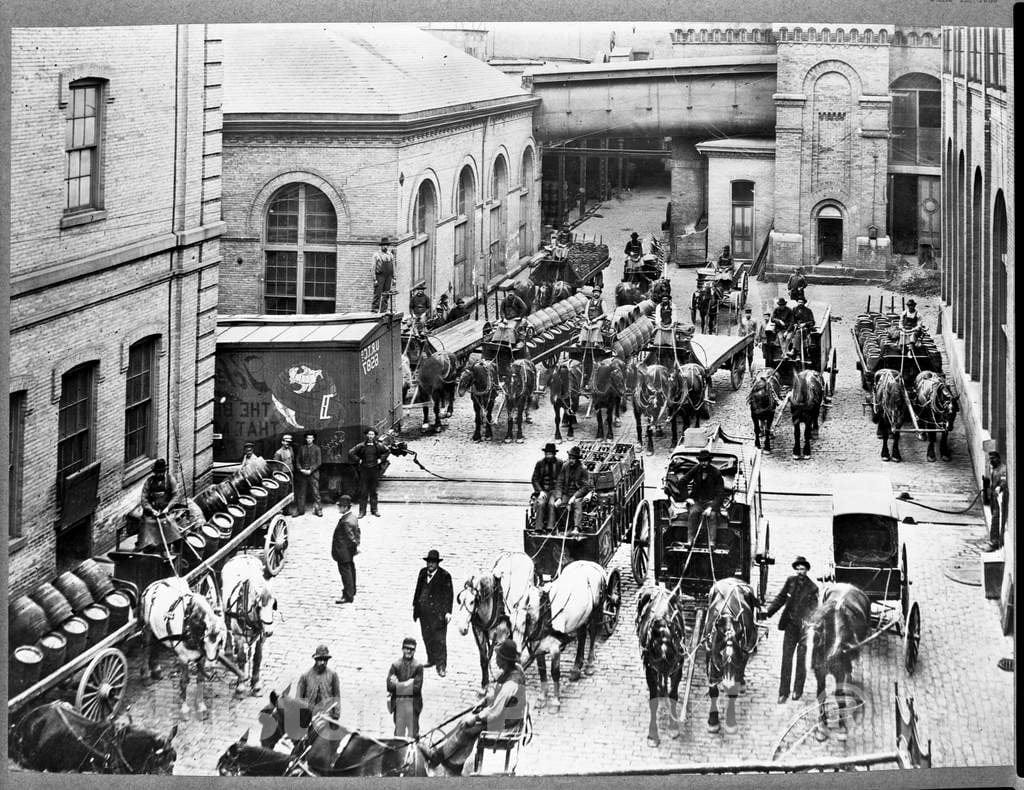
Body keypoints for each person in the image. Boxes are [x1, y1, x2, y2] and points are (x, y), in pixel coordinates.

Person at [421, 638, 527, 771]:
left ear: (504, 661)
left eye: (497, 657)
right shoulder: (515, 669)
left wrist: (475, 718)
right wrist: (485, 700)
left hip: (507, 722)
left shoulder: (511, 683)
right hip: (507, 715)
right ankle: (455, 761)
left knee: (466, 727)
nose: (495, 659)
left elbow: (494, 712)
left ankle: (437, 758)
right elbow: (498, 695)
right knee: (466, 723)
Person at [759, 556, 820, 703]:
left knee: (801, 660)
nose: (800, 572)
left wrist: (810, 625)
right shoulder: (790, 582)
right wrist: (768, 611)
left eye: (803, 569)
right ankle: (783, 692)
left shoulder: (813, 588)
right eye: (798, 569)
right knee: (786, 659)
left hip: (804, 629)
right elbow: (780, 598)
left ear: (807, 570)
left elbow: (814, 610)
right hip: (790, 626)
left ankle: (798, 690)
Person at [413, 549, 454, 677]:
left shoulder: (445, 576)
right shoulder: (422, 573)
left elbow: (449, 595)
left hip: (438, 615)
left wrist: (448, 612)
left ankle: (441, 665)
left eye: (433, 563)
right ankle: (431, 659)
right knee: (427, 637)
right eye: (429, 562)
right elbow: (418, 590)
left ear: (437, 564)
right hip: (424, 613)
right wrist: (415, 606)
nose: (430, 565)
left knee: (440, 640)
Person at [681, 449, 726, 549]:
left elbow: (720, 494)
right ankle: (690, 541)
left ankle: (712, 543)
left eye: (705, 461)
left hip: (711, 502)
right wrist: (687, 498)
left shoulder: (716, 473)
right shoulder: (696, 469)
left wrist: (711, 508)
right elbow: (682, 482)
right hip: (697, 501)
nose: (703, 463)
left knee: (712, 516)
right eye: (701, 461)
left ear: (709, 461)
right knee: (693, 513)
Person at [136, 458, 183, 551]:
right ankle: (147, 547)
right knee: (146, 524)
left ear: (164, 471)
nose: (159, 474)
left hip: (166, 512)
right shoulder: (149, 482)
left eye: (161, 472)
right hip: (152, 513)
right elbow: (144, 499)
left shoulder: (170, 480)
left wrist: (168, 507)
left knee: (168, 524)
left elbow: (175, 496)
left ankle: (170, 546)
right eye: (157, 472)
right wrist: (151, 510)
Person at [387, 637, 424, 738]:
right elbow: (389, 686)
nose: (409, 651)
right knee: (399, 736)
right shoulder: (395, 665)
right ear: (402, 649)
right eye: (406, 648)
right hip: (399, 706)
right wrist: (407, 684)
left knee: (413, 735)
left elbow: (416, 688)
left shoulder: (418, 667)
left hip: (413, 705)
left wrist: (398, 685)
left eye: (411, 649)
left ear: (414, 651)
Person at [348, 428, 390, 518]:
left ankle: (374, 510)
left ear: (374, 436)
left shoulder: (378, 445)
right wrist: (358, 460)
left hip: (374, 471)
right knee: (363, 491)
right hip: (364, 471)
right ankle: (362, 512)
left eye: (372, 434)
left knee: (373, 492)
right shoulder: (361, 446)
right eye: (369, 434)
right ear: (366, 435)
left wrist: (381, 460)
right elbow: (351, 452)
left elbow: (387, 451)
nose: (370, 436)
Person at [297, 645, 341, 717]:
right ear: (315, 660)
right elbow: (298, 699)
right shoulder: (305, 676)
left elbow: (336, 696)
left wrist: (336, 714)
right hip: (308, 716)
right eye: (320, 659)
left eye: (325, 660)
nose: (323, 662)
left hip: (326, 716)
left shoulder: (333, 675)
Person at [331, 495, 360, 603]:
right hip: (348, 552)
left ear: (345, 507)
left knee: (346, 574)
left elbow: (350, 538)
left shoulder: (345, 521)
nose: (339, 508)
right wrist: (356, 547)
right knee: (351, 571)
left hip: (343, 552)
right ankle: (352, 591)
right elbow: (357, 533)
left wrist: (353, 547)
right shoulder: (352, 517)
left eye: (340, 506)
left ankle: (348, 596)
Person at [557, 445, 592, 531]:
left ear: (577, 459)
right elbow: (559, 482)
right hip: (566, 493)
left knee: (577, 505)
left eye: (573, 458)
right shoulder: (565, 466)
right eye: (570, 458)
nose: (571, 460)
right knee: (560, 506)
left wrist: (575, 496)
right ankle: (568, 525)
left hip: (578, 493)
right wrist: (558, 497)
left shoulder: (583, 469)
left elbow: (585, 487)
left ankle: (576, 527)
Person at [531, 443, 563, 532]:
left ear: (554, 454)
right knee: (541, 504)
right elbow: (535, 479)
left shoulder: (560, 463)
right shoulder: (540, 463)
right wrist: (540, 491)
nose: (548, 456)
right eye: (547, 454)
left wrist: (559, 495)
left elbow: (562, 480)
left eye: (550, 454)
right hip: (543, 490)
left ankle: (550, 527)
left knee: (551, 504)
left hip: (555, 491)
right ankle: (538, 528)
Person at [294, 432, 323, 517]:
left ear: (313, 439)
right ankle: (300, 510)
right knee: (301, 493)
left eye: (310, 438)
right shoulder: (301, 448)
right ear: (306, 439)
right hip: (303, 474)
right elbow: (297, 460)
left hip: (313, 474)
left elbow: (319, 462)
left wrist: (311, 470)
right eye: (307, 438)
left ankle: (318, 510)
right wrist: (300, 469)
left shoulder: (317, 449)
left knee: (316, 493)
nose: (309, 440)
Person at [984, 451, 1009, 551]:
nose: (991, 461)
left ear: (998, 458)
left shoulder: (1003, 469)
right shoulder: (994, 469)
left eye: (993, 459)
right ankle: (995, 540)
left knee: (996, 519)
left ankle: (994, 542)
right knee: (994, 519)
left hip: (999, 499)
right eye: (990, 459)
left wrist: (999, 487)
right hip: (993, 499)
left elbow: (1003, 480)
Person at [372, 237, 395, 312]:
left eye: (387, 245)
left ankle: (383, 310)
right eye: (384, 245)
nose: (385, 247)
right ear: (381, 246)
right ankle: (375, 310)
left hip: (389, 277)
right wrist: (374, 279)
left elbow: (393, 266)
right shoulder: (376, 255)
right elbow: (373, 268)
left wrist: (394, 278)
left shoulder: (390, 255)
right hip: (380, 276)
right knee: (377, 293)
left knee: (386, 294)